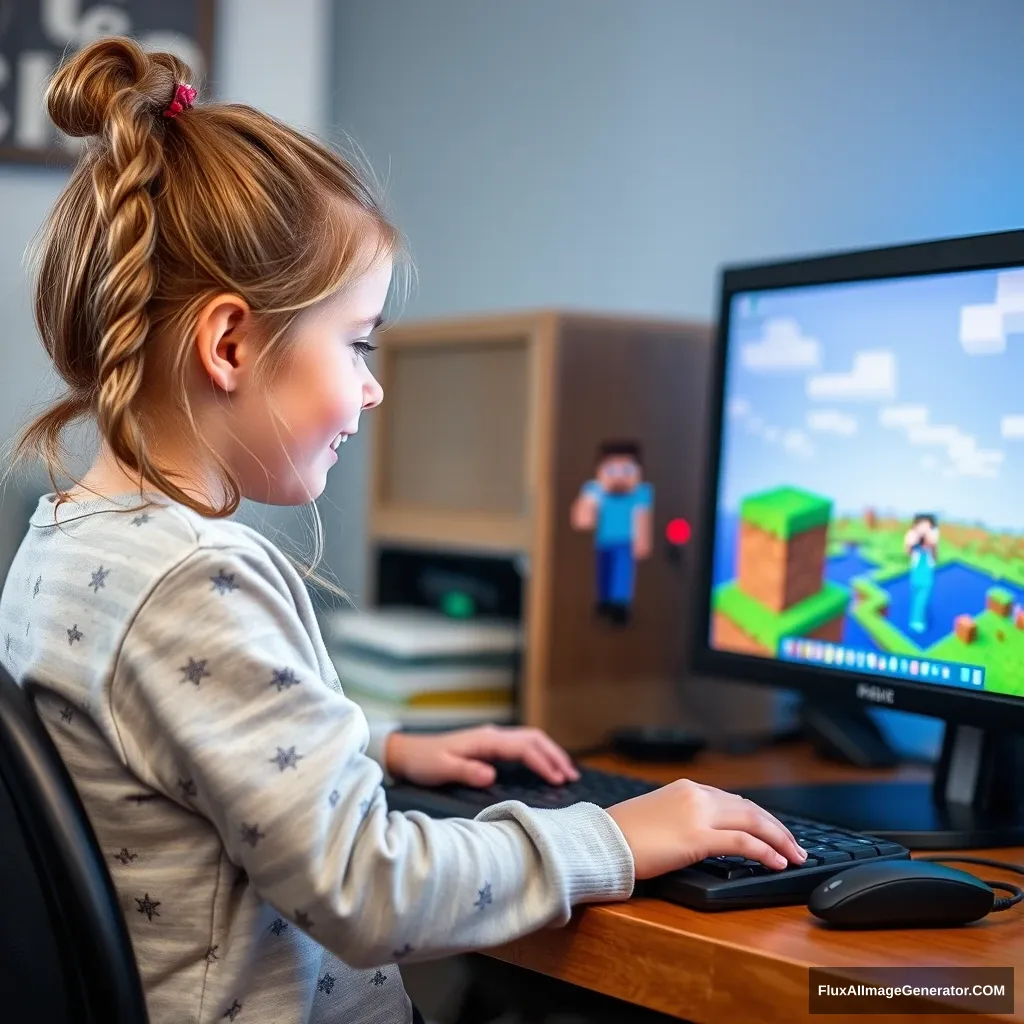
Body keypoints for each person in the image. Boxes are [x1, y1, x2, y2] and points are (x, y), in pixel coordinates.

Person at [0, 37, 806, 1024]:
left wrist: (382, 748)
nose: (374, 388)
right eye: (356, 342)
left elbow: (170, 748)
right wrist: (616, 836)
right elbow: (365, 888)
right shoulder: (196, 578)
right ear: (229, 343)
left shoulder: (67, 540)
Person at [570, 440, 653, 624]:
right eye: (612, 470)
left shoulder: (640, 493)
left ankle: (620, 606)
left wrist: (643, 542)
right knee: (604, 573)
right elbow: (582, 520)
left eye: (627, 470)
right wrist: (593, 496)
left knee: (622, 575)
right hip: (604, 541)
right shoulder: (595, 492)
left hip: (626, 541)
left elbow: (642, 517)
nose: (619, 477)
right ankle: (603, 603)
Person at [904, 514, 939, 634]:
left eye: (927, 525)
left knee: (923, 596)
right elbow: (907, 552)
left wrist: (930, 543)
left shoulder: (933, 536)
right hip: (916, 570)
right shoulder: (911, 535)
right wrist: (915, 541)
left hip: (927, 571)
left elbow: (935, 556)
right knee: (916, 595)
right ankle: (915, 620)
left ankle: (918, 621)